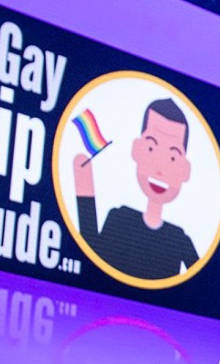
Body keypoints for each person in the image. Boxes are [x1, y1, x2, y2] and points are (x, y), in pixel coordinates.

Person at [71, 98, 201, 280]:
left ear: (185, 170)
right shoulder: (120, 219)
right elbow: (91, 262)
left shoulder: (177, 239)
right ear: (137, 150)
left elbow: (206, 285)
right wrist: (85, 193)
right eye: (150, 148)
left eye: (172, 158)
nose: (159, 169)